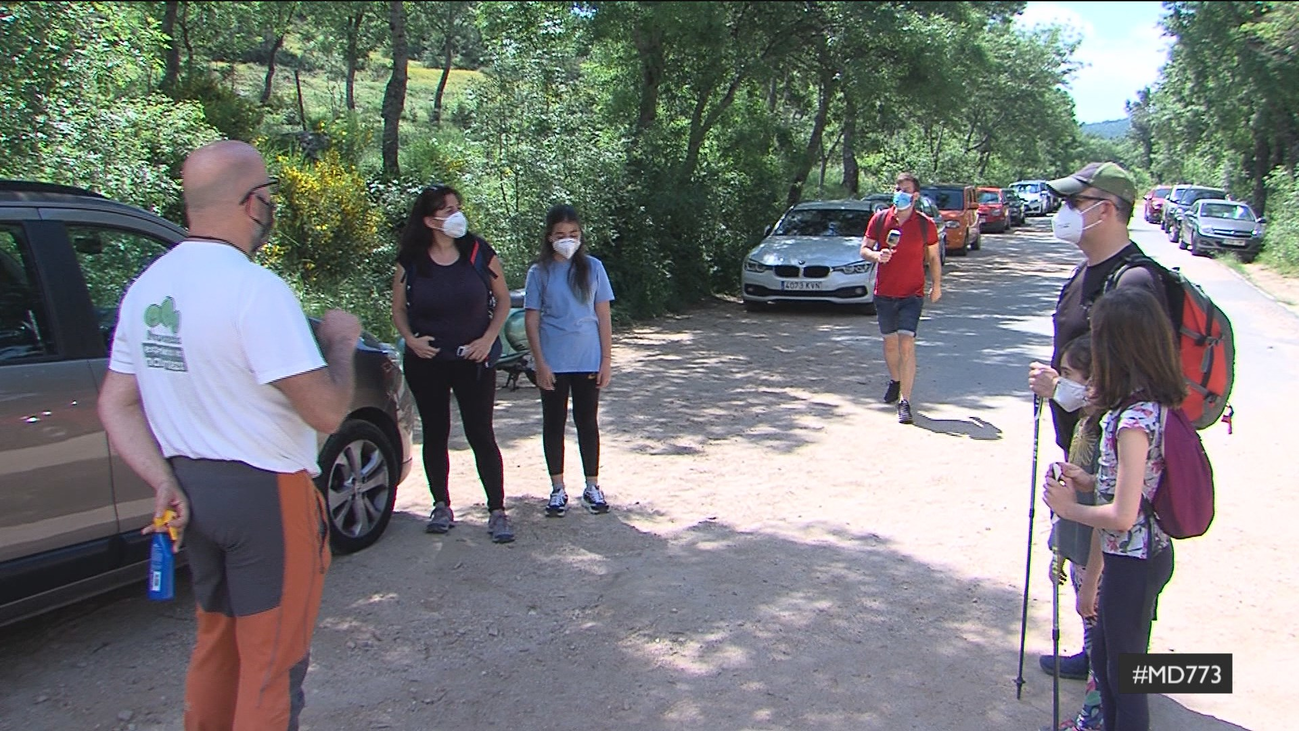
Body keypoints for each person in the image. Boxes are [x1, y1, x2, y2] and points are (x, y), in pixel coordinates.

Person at [97, 139, 360, 729]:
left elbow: (115, 403)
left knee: (219, 645)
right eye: (269, 193)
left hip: (193, 492)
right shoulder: (254, 290)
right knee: (272, 664)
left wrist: (162, 481)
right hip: (267, 495)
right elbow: (325, 411)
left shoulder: (147, 289)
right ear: (252, 201)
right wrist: (341, 343)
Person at [1028, 161, 1167, 678]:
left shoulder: (1135, 281)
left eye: (1074, 203)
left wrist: (1065, 392)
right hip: (1086, 449)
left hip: (1118, 452)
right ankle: (1099, 661)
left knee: (1117, 572)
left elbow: (1139, 383)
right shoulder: (1087, 272)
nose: (1063, 213)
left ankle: (1120, 682)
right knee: (1088, 562)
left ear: (1105, 209)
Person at [1044, 286, 1184, 731]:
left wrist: (1071, 509)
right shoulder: (1144, 405)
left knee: (1126, 683)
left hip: (1134, 563)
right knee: (1107, 663)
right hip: (1133, 559)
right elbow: (1135, 489)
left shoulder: (1132, 422)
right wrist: (1090, 481)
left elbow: (1122, 516)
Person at [392, 185, 515, 543]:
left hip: (473, 360)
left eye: (457, 207)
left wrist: (488, 339)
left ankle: (497, 511)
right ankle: (441, 506)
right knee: (435, 433)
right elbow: (398, 308)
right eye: (447, 209)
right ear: (429, 220)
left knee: (481, 433)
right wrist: (411, 339)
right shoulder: (411, 260)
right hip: (427, 361)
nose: (456, 214)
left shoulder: (479, 252)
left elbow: (503, 300)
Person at [523, 204, 616, 516]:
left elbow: (603, 316)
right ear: (549, 237)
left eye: (574, 234)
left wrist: (606, 360)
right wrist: (540, 362)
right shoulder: (539, 272)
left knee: (587, 421)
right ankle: (557, 488)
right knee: (554, 423)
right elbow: (532, 319)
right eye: (561, 234)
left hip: (587, 357)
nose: (568, 240)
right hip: (553, 360)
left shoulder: (594, 268)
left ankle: (592, 485)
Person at [1044, 335, 1103, 731]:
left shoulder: (1109, 432)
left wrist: (1092, 580)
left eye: (1068, 375)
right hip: (1083, 551)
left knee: (1110, 646)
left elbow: (1107, 511)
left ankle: (1097, 716)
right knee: (1099, 637)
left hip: (1100, 556)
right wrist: (1060, 548)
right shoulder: (1086, 423)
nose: (1061, 383)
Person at [859, 172, 943, 424]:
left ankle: (904, 402)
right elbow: (864, 249)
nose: (900, 193)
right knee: (890, 344)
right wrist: (877, 256)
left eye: (905, 190)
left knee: (906, 343)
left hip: (912, 294)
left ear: (915, 195)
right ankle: (895, 380)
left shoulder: (925, 224)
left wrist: (937, 285)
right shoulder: (880, 219)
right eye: (897, 189)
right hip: (884, 292)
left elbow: (933, 257)